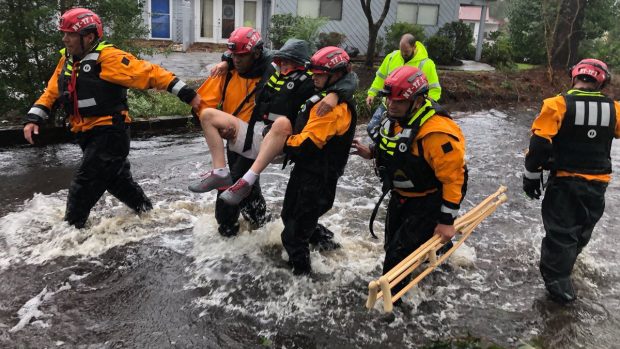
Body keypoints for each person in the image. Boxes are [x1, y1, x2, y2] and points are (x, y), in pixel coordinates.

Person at [22, 8, 200, 229]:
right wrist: (34, 118)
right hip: (86, 134)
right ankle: (151, 217)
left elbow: (151, 73)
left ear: (88, 37)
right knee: (118, 183)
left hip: (109, 133)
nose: (64, 38)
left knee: (83, 184)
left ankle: (69, 235)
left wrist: (189, 95)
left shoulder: (109, 58)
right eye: (64, 33)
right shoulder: (66, 61)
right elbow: (51, 92)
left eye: (69, 34)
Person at [351, 66, 467, 297]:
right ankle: (438, 253)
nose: (392, 105)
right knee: (390, 245)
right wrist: (372, 152)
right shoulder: (395, 117)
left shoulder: (437, 132)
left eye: (399, 101)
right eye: (389, 100)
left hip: (428, 200)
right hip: (402, 197)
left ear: (417, 100)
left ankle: (394, 305)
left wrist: (446, 222)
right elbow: (399, 149)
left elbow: (454, 180)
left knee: (395, 259)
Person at [522, 58, 620, 304]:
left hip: (565, 181)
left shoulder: (557, 104)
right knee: (580, 231)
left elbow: (540, 142)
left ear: (574, 76)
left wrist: (531, 173)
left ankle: (558, 286)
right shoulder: (615, 109)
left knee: (561, 232)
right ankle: (564, 270)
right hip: (598, 184)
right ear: (603, 82)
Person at [216, 39, 358, 205]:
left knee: (238, 184)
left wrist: (336, 93)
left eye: (290, 62)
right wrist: (226, 60)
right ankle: (253, 223)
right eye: (282, 61)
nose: (284, 66)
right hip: (252, 133)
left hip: (284, 141)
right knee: (238, 183)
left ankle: (233, 225)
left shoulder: (310, 80)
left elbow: (349, 77)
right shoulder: (270, 67)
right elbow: (246, 55)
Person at [280, 46, 357, 275]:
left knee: (293, 235)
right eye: (314, 73)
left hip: (318, 179)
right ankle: (330, 247)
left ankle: (303, 280)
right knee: (290, 218)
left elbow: (306, 145)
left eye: (320, 74)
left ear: (337, 75)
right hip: (307, 174)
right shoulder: (327, 95)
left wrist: (280, 140)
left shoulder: (333, 110)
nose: (315, 77)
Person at [188, 26, 272, 237]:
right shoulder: (227, 72)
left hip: (256, 139)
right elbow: (201, 106)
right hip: (233, 140)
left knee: (230, 186)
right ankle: (260, 225)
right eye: (234, 55)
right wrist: (219, 127)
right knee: (245, 183)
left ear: (257, 52)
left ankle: (226, 232)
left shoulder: (273, 74)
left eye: (242, 55)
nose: (237, 60)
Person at [365, 33, 441, 141]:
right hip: (388, 104)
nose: (403, 54)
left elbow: (434, 89)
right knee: (372, 128)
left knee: (404, 137)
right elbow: (380, 77)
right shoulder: (391, 57)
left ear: (414, 47)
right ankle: (382, 151)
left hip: (411, 109)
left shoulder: (427, 64)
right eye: (401, 51)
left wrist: (423, 105)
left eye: (406, 52)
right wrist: (371, 94)